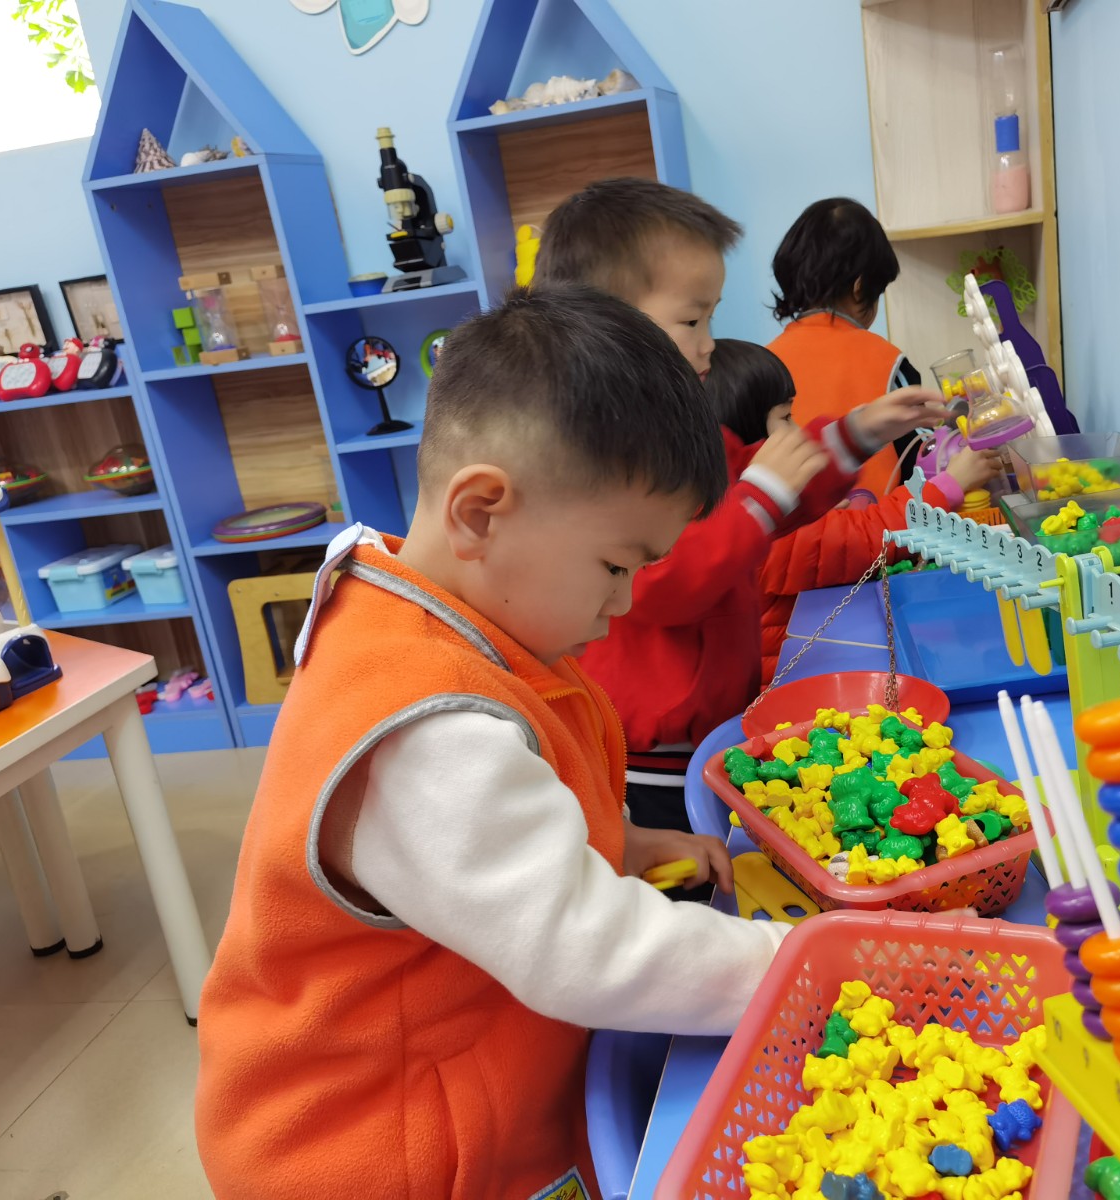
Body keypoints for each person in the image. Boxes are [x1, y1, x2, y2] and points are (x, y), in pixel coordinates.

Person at [194, 288, 791, 1200]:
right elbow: (586, 949)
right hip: (380, 1152)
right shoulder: (429, 732)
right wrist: (798, 962)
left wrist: (623, 843)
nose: (625, 602)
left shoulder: (440, 611)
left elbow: (487, 838)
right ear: (479, 512)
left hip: (463, 1084)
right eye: (616, 565)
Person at [533, 178, 944, 832]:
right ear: (607, 325)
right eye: (690, 321)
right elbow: (661, 582)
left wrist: (856, 431)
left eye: (711, 319)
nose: (707, 343)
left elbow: (768, 477)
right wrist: (760, 497)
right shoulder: (600, 460)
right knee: (688, 866)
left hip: (711, 724)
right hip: (651, 757)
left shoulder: (682, 432)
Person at [698, 339, 998, 684]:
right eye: (785, 417)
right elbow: (869, 537)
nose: (797, 430)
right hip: (786, 684)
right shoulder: (761, 521)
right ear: (748, 438)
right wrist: (949, 486)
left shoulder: (737, 506)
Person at [767, 196, 935, 498]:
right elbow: (923, 463)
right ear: (860, 287)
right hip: (879, 524)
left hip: (795, 527)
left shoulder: (763, 363)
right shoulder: (888, 361)